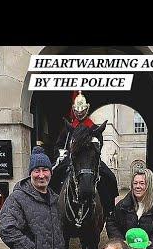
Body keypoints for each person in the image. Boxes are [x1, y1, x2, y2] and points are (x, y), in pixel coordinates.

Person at [50, 91, 119, 220]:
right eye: (77, 110)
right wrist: (61, 153)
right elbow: (59, 145)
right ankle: (51, 209)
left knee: (109, 177)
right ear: (73, 110)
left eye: (83, 110)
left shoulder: (93, 128)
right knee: (54, 175)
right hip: (71, 158)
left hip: (90, 159)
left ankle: (109, 211)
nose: (80, 112)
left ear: (87, 109)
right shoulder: (68, 128)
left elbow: (100, 145)